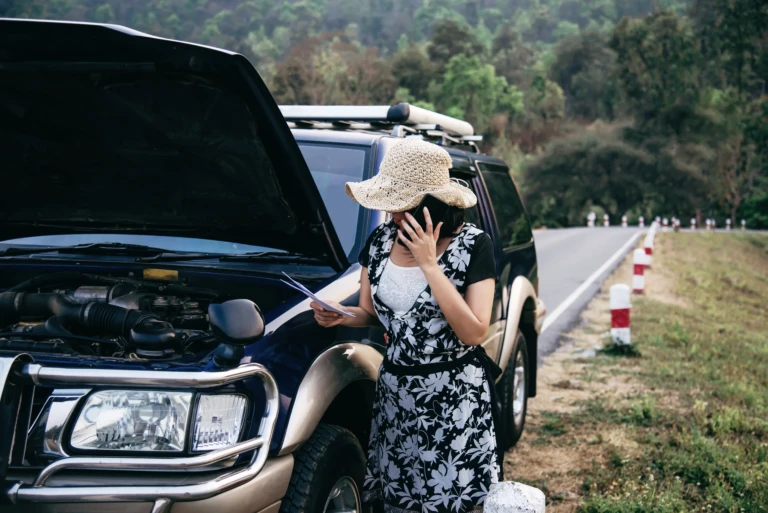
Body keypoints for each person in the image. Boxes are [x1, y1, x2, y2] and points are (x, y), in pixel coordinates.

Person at [310, 137, 501, 513]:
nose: (393, 215)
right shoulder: (380, 240)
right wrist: (339, 313)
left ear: (433, 205)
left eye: (402, 205)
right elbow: (368, 311)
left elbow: (474, 332)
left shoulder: (473, 246)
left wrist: (430, 264)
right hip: (395, 394)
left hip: (452, 399)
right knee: (398, 499)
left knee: (446, 501)